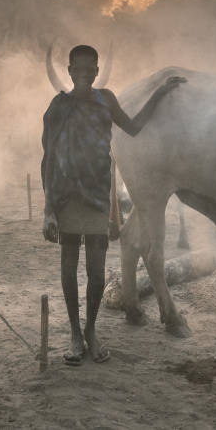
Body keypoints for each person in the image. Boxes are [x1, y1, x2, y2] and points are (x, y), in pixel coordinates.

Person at [41, 45, 184, 366]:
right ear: (69, 71)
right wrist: (48, 208)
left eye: (89, 69)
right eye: (77, 69)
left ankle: (91, 331)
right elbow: (48, 158)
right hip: (65, 197)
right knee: (68, 268)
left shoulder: (106, 99)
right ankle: (76, 335)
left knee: (94, 271)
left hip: (97, 196)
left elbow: (133, 128)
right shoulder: (58, 106)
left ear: (96, 70)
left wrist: (159, 93)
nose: (83, 74)